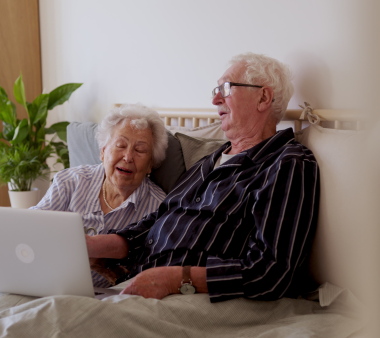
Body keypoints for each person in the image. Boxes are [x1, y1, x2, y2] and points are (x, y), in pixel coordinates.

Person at [86, 52, 320, 302]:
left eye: (226, 88)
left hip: (198, 295)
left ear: (263, 97)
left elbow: (272, 273)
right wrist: (93, 245)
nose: (215, 99)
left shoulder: (287, 163)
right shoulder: (210, 160)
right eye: (215, 90)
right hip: (145, 285)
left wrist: (175, 279)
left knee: (53, 316)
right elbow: (157, 222)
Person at [31, 103, 169, 287]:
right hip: (46, 281)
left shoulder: (159, 208)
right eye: (120, 145)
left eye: (140, 150)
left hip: (105, 298)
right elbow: (31, 226)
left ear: (151, 164)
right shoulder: (70, 182)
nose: (128, 157)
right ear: (103, 151)